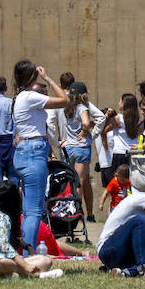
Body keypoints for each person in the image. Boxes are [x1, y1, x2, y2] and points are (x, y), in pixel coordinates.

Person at [11, 60, 70, 250]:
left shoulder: (19, 97)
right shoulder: (29, 97)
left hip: (22, 152)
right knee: (34, 211)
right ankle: (29, 253)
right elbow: (65, 100)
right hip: (34, 152)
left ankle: (25, 250)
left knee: (28, 210)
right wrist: (48, 79)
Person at [0, 181, 61, 279]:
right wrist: (24, 265)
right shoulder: (0, 217)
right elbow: (2, 245)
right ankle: (36, 274)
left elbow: (6, 237)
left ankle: (14, 272)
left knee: (45, 260)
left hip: (0, 260)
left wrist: (28, 247)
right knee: (2, 262)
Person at [59, 83, 96, 218]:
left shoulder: (67, 108)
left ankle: (68, 210)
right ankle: (77, 212)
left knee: (70, 181)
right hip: (81, 147)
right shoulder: (81, 108)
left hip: (69, 148)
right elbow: (86, 123)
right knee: (79, 181)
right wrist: (85, 130)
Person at [100, 94, 141, 186]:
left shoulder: (119, 118)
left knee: (118, 184)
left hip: (119, 154)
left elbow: (103, 130)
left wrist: (107, 116)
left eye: (120, 101)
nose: (119, 103)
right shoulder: (138, 120)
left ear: (124, 104)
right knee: (130, 183)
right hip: (132, 154)